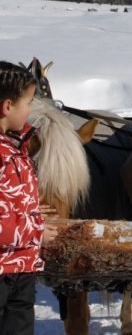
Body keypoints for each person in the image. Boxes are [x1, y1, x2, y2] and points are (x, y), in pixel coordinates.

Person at [0, 61, 57, 334]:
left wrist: (32, 212)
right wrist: (36, 230)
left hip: (21, 267)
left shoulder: (16, 148)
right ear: (7, 107)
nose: (31, 110)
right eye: (28, 102)